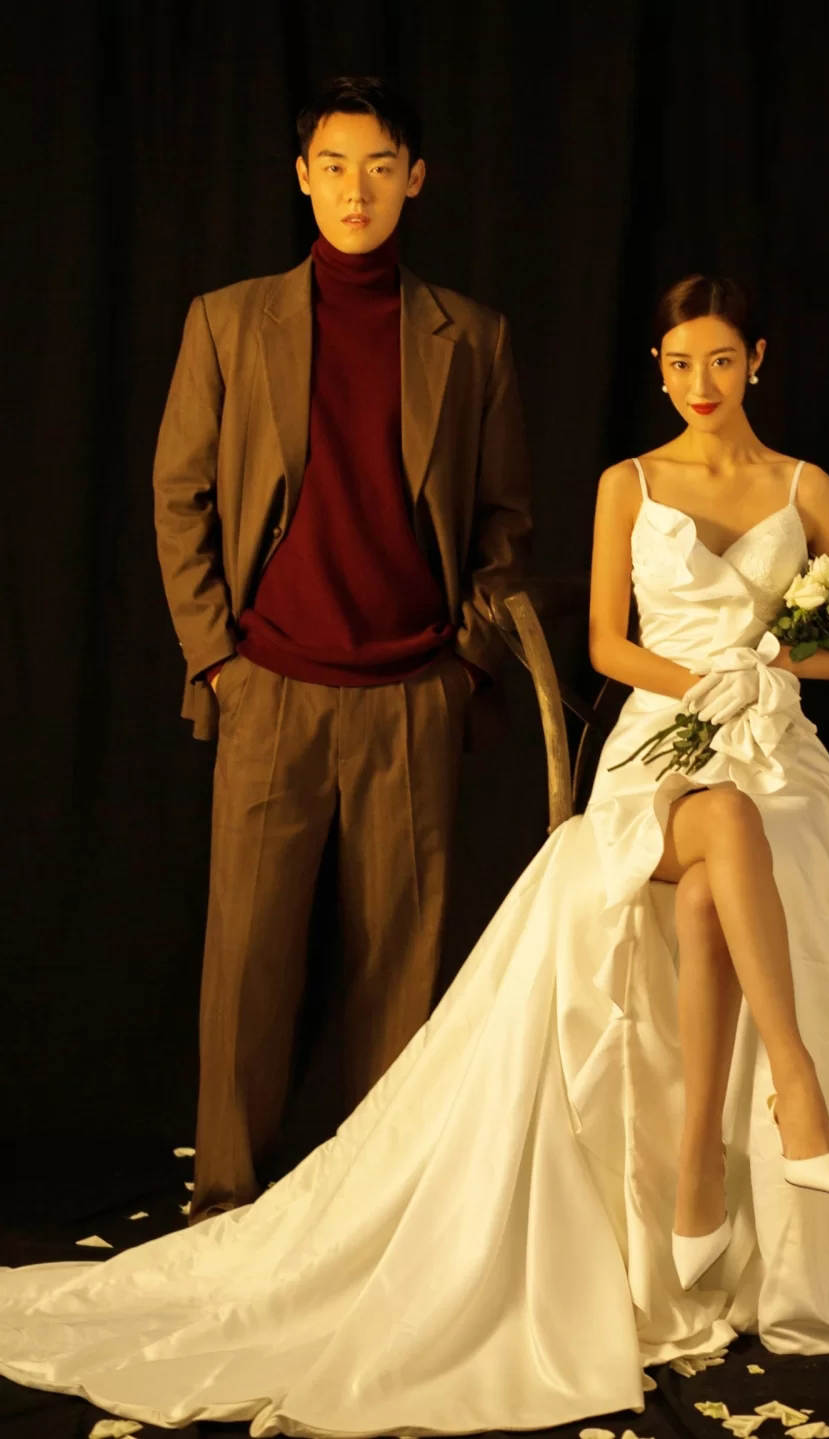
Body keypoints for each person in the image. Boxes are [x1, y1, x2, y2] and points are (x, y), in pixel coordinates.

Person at [0, 275, 829, 1436]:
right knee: (719, 819)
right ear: (658, 366)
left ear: (758, 360)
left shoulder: (806, 485)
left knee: (719, 883)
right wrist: (705, 679)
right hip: (665, 746)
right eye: (681, 363)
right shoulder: (629, 482)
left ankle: (696, 1170)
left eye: (722, 361)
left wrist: (775, 665)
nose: (701, 383)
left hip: (779, 748)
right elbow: (606, 644)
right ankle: (796, 1083)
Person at [151, 76, 531, 1224]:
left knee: (398, 974)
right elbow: (179, 495)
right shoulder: (228, 322)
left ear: (415, 178)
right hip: (269, 684)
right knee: (247, 964)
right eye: (333, 165)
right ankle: (225, 1198)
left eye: (378, 166)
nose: (355, 189)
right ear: (302, 177)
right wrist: (217, 658)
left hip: (415, 691)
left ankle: (377, 1212)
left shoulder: (471, 336)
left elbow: (505, 520)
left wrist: (466, 663)